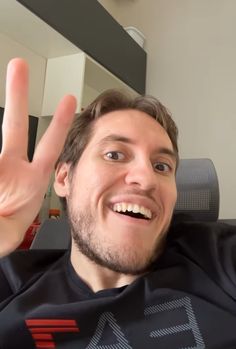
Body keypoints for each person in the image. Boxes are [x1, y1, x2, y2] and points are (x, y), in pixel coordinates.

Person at [0, 59, 236, 349]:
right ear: (63, 178)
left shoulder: (217, 259)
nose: (146, 178)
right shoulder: (10, 285)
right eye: (115, 155)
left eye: (162, 166)